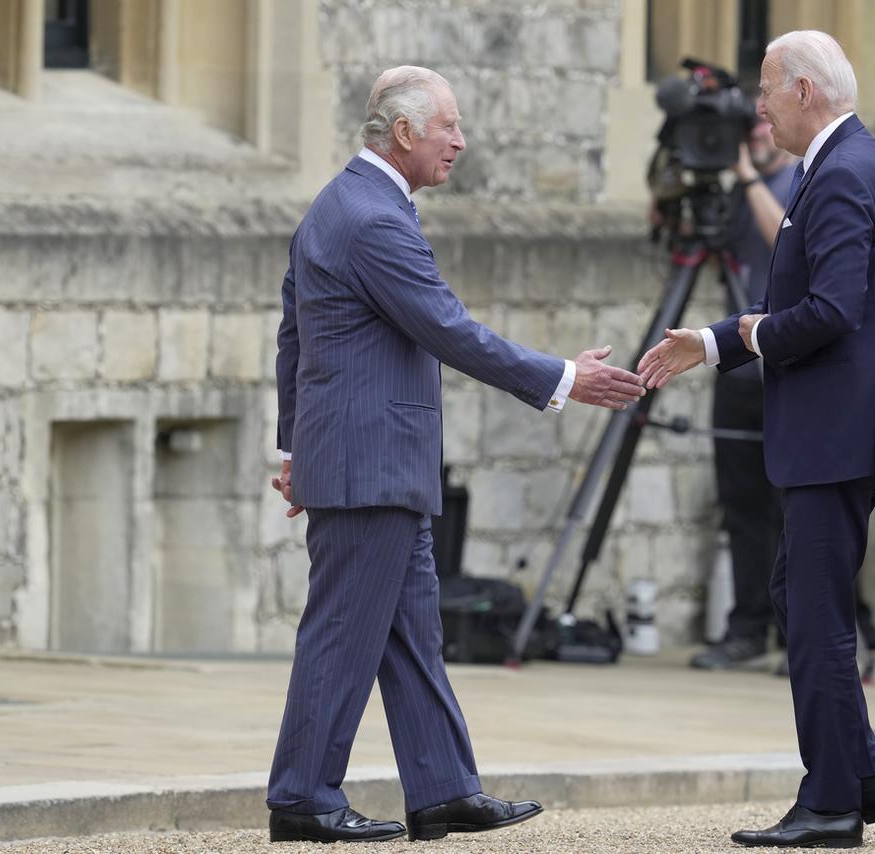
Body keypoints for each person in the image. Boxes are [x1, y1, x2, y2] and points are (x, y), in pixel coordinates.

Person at [267, 66, 645, 844]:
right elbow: (449, 329)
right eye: (450, 127)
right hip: (372, 466)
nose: (461, 141)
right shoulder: (372, 219)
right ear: (404, 133)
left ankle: (441, 789)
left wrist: (296, 446)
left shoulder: (345, 206)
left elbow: (293, 335)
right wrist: (565, 377)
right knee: (342, 634)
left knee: (412, 635)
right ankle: (302, 797)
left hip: (375, 463)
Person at [639, 30, 875, 849]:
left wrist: (737, 336)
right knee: (799, 592)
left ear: (805, 91)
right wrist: (719, 340)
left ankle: (831, 800)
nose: (756, 108)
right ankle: (860, 773)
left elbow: (832, 311)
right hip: (848, 417)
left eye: (766, 90)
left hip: (839, 421)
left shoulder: (840, 175)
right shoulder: (849, 163)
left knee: (814, 609)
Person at [689, 119, 796, 672]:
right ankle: (747, 625)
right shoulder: (737, 190)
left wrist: (748, 178)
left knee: (792, 506)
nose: (752, 136)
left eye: (760, 124)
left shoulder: (803, 177)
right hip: (738, 360)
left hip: (787, 362)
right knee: (742, 504)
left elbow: (787, 242)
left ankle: (800, 634)